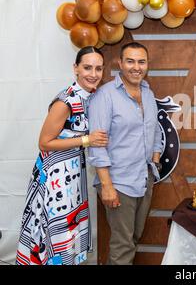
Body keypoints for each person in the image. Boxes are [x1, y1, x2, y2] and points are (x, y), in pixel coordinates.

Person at [16, 46, 108, 265]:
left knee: (70, 231)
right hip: (54, 178)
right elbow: (44, 142)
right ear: (75, 68)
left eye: (98, 68)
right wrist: (87, 140)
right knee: (53, 234)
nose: (93, 74)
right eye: (87, 67)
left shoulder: (91, 96)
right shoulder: (64, 101)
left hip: (73, 175)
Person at [88, 42, 163, 265]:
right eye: (130, 61)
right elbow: (97, 145)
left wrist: (155, 161)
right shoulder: (105, 96)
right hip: (117, 182)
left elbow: (154, 130)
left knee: (132, 239)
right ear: (120, 63)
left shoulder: (148, 93)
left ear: (147, 65)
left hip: (143, 178)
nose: (136, 67)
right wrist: (107, 186)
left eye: (141, 62)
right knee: (122, 245)